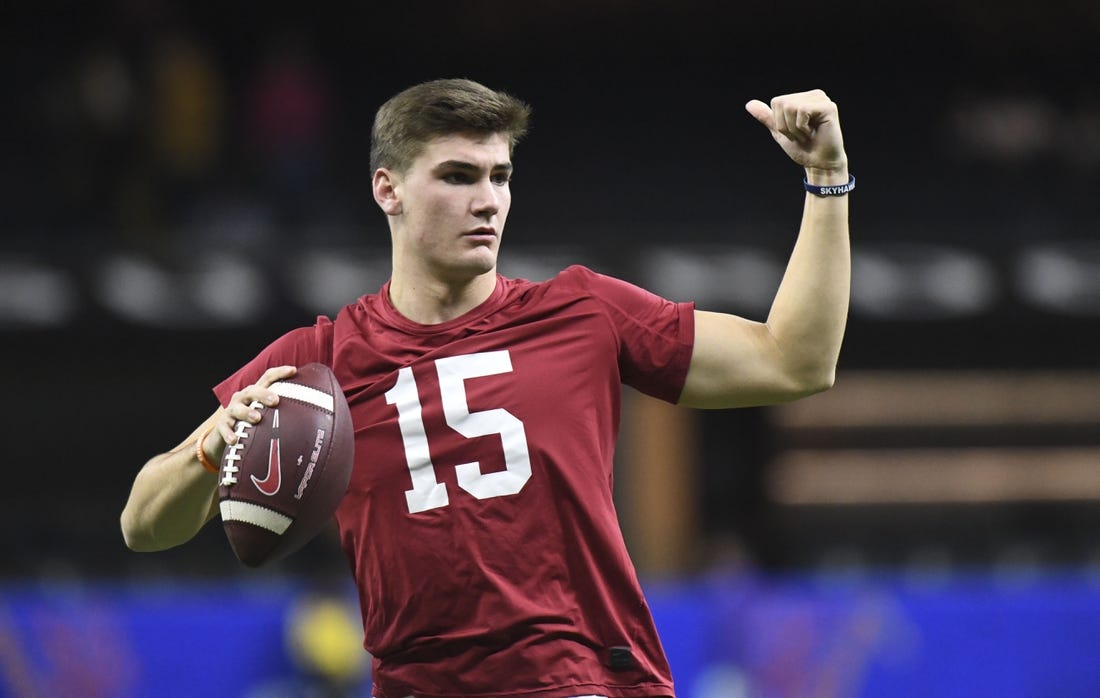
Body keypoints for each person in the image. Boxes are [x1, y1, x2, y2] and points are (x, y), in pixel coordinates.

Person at [121, 78, 851, 697]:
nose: (489, 200)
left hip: (583, 679)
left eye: (500, 176)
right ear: (389, 190)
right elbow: (143, 524)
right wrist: (211, 449)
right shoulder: (317, 364)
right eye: (458, 176)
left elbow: (795, 362)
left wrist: (826, 179)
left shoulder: (583, 312)